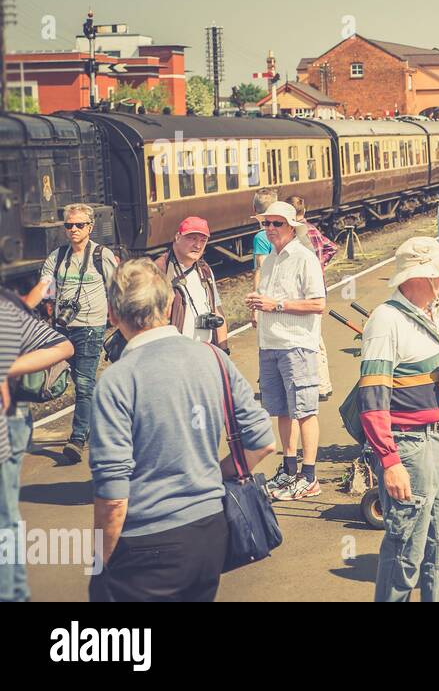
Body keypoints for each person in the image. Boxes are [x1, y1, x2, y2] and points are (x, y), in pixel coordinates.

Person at [89, 259, 276, 602]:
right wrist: (211, 474)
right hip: (210, 534)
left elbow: (114, 497)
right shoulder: (213, 358)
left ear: (113, 315)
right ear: (169, 303)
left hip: (147, 543)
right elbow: (263, 442)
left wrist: (100, 563)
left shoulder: (116, 382)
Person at [360, 238, 439, 602]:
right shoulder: (386, 320)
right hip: (410, 445)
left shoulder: (436, 311)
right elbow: (372, 400)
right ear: (417, 275)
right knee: (406, 552)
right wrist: (390, 462)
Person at [23, 203, 120, 464]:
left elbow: (117, 290)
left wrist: (123, 324)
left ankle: (77, 439)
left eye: (79, 225)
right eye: (69, 225)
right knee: (59, 381)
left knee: (85, 383)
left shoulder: (102, 256)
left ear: (90, 227)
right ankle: (109, 405)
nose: (73, 229)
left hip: (90, 328)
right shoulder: (57, 257)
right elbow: (43, 288)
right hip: (62, 329)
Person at [246, 202, 328, 501]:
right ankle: (289, 467)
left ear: (291, 227)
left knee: (305, 410)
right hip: (270, 343)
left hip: (296, 344)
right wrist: (259, 303)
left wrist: (275, 305)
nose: (269, 229)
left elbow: (318, 304)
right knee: (281, 410)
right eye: (266, 223)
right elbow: (272, 299)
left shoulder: (305, 258)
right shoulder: (270, 259)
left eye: (276, 224)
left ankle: (309, 476)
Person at [1, 290, 73, 602]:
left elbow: (63, 346)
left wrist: (7, 368)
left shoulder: (5, 309)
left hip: (10, 423)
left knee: (5, 519)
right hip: (12, 423)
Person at [287, 195, 339, 400]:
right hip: (318, 289)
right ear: (304, 211)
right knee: (314, 336)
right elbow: (332, 247)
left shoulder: (298, 234)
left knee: (313, 338)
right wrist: (321, 263)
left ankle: (322, 386)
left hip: (307, 293)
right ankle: (320, 384)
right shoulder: (313, 230)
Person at [154, 217, 228, 348]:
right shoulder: (160, 270)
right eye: (192, 238)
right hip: (175, 355)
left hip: (205, 352)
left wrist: (224, 351)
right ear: (177, 237)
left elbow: (217, 309)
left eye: (203, 240)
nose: (198, 245)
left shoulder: (205, 270)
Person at [251, 188, 279, 282]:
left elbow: (262, 270)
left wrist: (256, 295)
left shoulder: (261, 237)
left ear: (254, 208)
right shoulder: (284, 230)